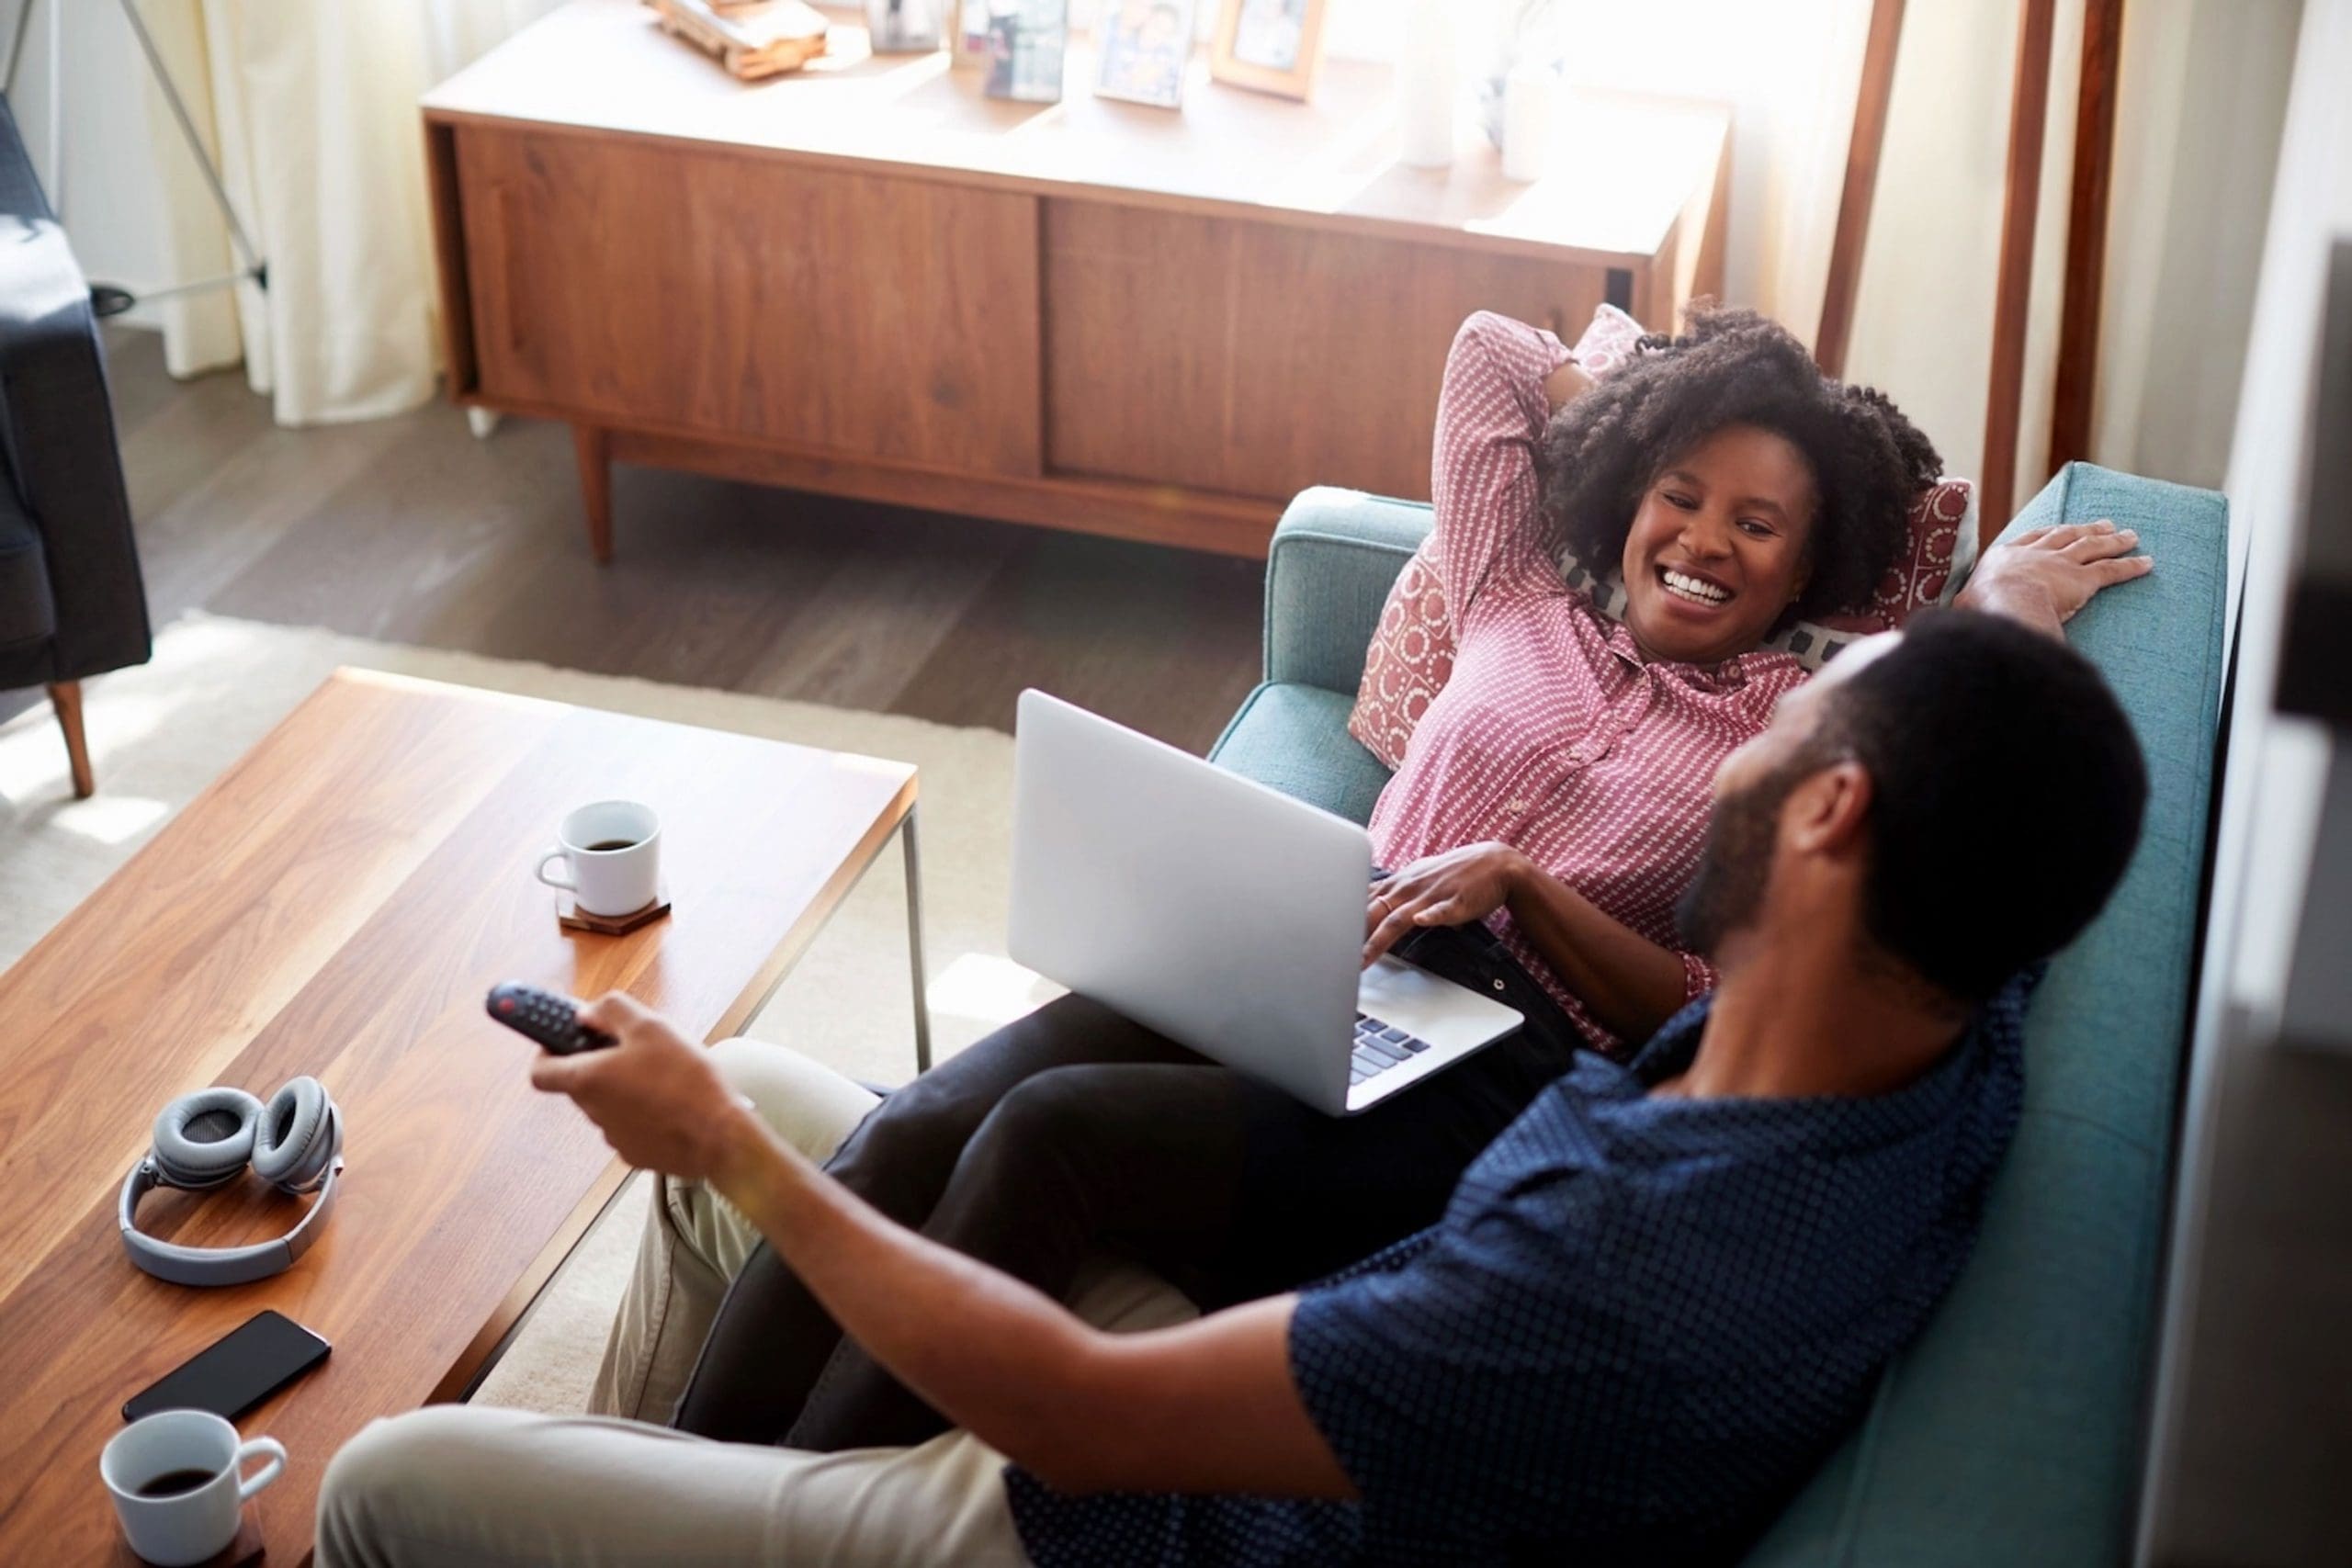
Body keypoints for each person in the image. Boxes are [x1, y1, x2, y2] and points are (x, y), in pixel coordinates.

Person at [315, 604, 2151, 1567]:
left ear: (1833, 814)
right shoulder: (1939, 1014)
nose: (1754, 733)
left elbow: (1089, 1414)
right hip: (1268, 1410)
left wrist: (721, 1137)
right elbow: (1999, 782)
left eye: (1790, 728)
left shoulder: (1620, 1278)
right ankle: (651, 1489)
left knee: (396, 1478)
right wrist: (2000, 614)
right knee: (802, 1100)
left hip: (1116, 1520)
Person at [628, 307, 2153, 1458]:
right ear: (1627, 488)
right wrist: (1675, 399)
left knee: (1042, 1137)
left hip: (1492, 1057)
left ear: (1808, 575)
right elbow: (1490, 351)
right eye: (1681, 494)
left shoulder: (1785, 736)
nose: (1703, 542)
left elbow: (1707, 997)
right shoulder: (1513, 591)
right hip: (1310, 946)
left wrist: (1527, 892)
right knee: (919, 1117)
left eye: (1762, 527)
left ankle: (794, 1513)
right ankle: (682, 1482)